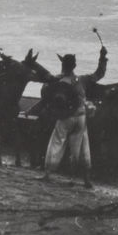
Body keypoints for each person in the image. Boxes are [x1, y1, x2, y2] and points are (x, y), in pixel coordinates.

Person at [38, 45, 107, 187]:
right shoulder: (82, 79)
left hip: (65, 118)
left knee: (56, 143)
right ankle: (85, 180)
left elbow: (45, 83)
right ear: (74, 65)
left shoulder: (58, 80)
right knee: (83, 147)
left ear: (63, 65)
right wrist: (102, 58)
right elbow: (99, 74)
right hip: (81, 118)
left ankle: (48, 174)